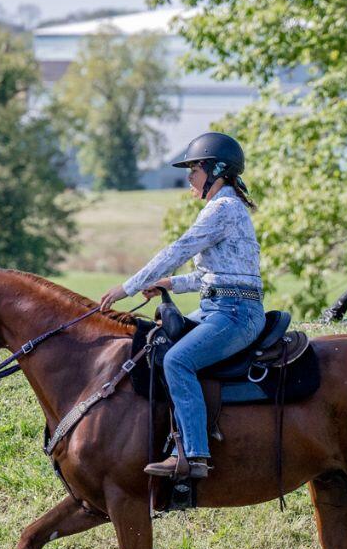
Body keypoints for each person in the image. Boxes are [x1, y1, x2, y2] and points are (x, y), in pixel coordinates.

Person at [99, 132, 264, 479]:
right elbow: (215, 277)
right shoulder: (227, 207)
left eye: (194, 170)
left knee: (177, 360)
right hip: (223, 307)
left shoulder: (223, 208)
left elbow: (177, 251)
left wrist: (128, 288)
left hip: (235, 313)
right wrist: (170, 284)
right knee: (158, 345)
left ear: (216, 171)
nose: (189, 178)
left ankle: (194, 455)